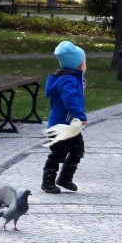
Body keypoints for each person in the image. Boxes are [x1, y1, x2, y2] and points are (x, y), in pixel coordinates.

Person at [42, 40, 87, 193]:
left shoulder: (72, 78)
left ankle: (65, 178)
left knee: (77, 150)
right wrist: (80, 115)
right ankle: (47, 181)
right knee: (58, 153)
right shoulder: (69, 80)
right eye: (84, 61)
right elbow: (70, 100)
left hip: (71, 126)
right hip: (60, 126)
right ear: (79, 65)